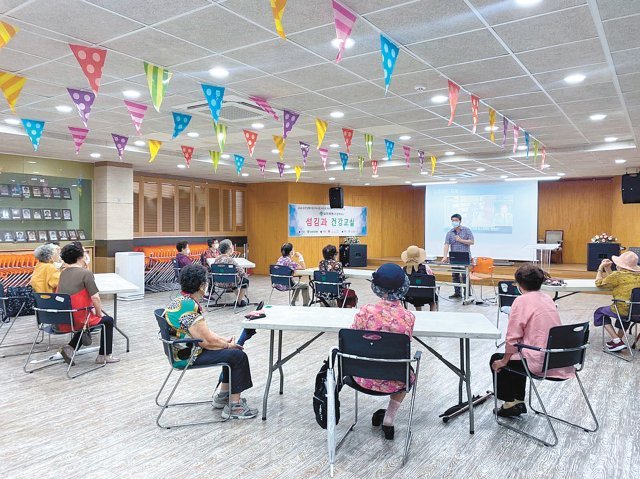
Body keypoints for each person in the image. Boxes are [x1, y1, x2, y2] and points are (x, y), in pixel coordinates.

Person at [164, 264, 257, 419]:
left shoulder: (181, 301)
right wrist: (228, 345)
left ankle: (223, 396)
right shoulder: (189, 306)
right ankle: (234, 406)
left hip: (182, 351)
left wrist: (223, 341)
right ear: (201, 285)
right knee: (238, 356)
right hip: (188, 356)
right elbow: (206, 341)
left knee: (231, 353)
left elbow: (204, 333)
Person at [490, 264, 574, 417]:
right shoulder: (547, 298)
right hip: (560, 358)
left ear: (519, 284)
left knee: (498, 360)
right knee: (518, 356)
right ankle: (517, 402)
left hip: (540, 360)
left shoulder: (521, 301)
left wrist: (503, 360)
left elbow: (512, 337)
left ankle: (511, 403)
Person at [351, 263, 414, 440]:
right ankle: (389, 418)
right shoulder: (408, 317)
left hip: (361, 377)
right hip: (395, 380)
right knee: (405, 369)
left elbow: (353, 338)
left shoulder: (365, 312)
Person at [56, 242, 119, 365]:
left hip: (64, 318)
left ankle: (70, 348)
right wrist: (99, 313)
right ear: (80, 256)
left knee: (89, 319)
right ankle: (104, 355)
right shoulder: (86, 274)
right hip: (78, 317)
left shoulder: (63, 273)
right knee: (107, 320)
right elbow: (96, 298)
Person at [593, 251, 640, 352]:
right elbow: (616, 281)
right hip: (637, 312)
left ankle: (617, 340)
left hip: (624, 309)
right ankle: (618, 340)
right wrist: (608, 269)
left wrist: (601, 268)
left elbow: (599, 283)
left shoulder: (618, 275)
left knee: (600, 312)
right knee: (628, 311)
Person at [442, 213, 474, 299]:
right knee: (455, 275)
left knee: (464, 275)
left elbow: (472, 242)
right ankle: (457, 293)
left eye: (456, 220)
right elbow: (446, 244)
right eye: (452, 221)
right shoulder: (450, 232)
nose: (454, 222)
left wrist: (461, 240)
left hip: (465, 256)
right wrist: (445, 256)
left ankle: (467, 292)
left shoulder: (467, 230)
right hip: (454, 257)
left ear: (460, 221)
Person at [212, 239, 249, 307]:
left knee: (232, 279)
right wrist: (244, 275)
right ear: (229, 249)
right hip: (229, 283)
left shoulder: (216, 260)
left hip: (217, 283)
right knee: (245, 280)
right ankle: (239, 301)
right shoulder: (230, 260)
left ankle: (240, 299)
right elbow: (242, 272)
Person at [401, 245, 436, 312]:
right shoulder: (426, 268)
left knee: (415, 291)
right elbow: (432, 280)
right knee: (433, 299)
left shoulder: (403, 269)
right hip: (427, 296)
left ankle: (418, 312)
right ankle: (432, 314)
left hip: (409, 296)